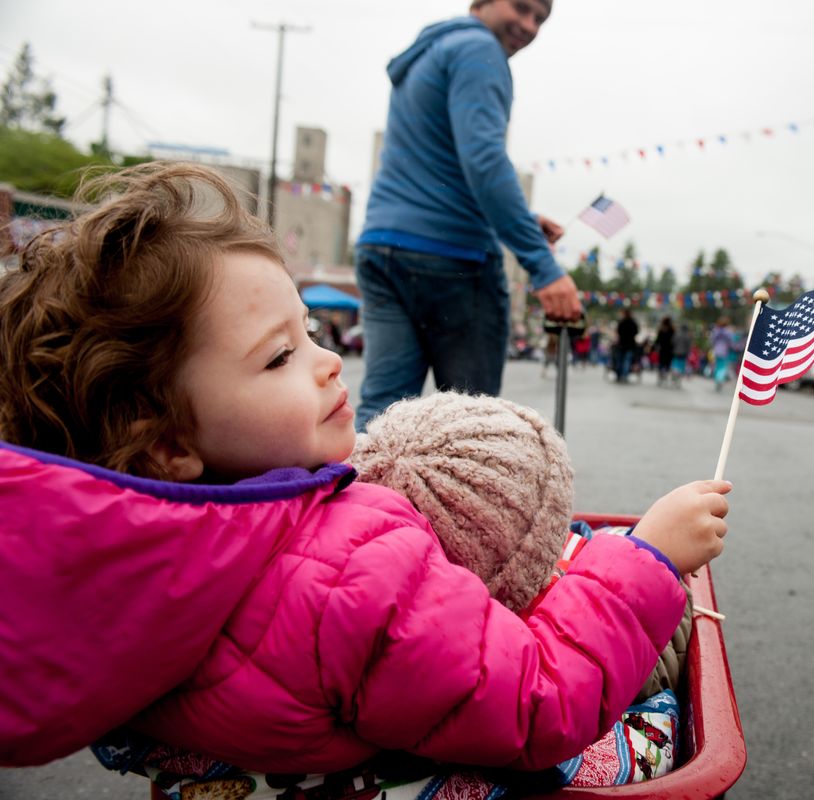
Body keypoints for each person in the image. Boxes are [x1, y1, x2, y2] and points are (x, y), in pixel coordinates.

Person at [0, 163, 732, 771]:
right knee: (659, 712)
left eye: (312, 332)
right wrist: (649, 559)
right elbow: (536, 701)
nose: (327, 363)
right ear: (166, 444)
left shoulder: (127, 576)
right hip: (434, 757)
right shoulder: (346, 570)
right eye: (280, 355)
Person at [353, 0, 582, 431]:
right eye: (521, 8)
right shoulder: (481, 52)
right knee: (470, 428)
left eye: (540, 19)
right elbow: (483, 160)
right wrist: (543, 267)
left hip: (383, 244)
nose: (529, 26)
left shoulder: (430, 51)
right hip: (452, 259)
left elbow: (445, 166)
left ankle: (363, 498)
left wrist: (519, 220)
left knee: (381, 414)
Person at [614, 308, 639, 383]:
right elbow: (636, 332)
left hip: (621, 344)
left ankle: (619, 374)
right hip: (630, 344)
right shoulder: (633, 323)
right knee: (626, 361)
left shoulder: (621, 322)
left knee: (620, 360)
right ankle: (624, 375)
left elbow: (618, 331)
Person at [710, 317, 735, 391]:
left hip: (716, 351)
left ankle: (717, 379)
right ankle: (720, 379)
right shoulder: (728, 332)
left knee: (717, 366)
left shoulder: (716, 331)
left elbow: (712, 340)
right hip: (724, 351)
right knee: (723, 367)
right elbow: (731, 342)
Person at [653, 317, 675, 386]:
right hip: (669, 350)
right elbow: (674, 340)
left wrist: (654, 347)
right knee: (667, 364)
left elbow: (657, 340)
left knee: (661, 364)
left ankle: (660, 376)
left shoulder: (661, 330)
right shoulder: (672, 330)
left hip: (662, 350)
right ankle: (665, 376)